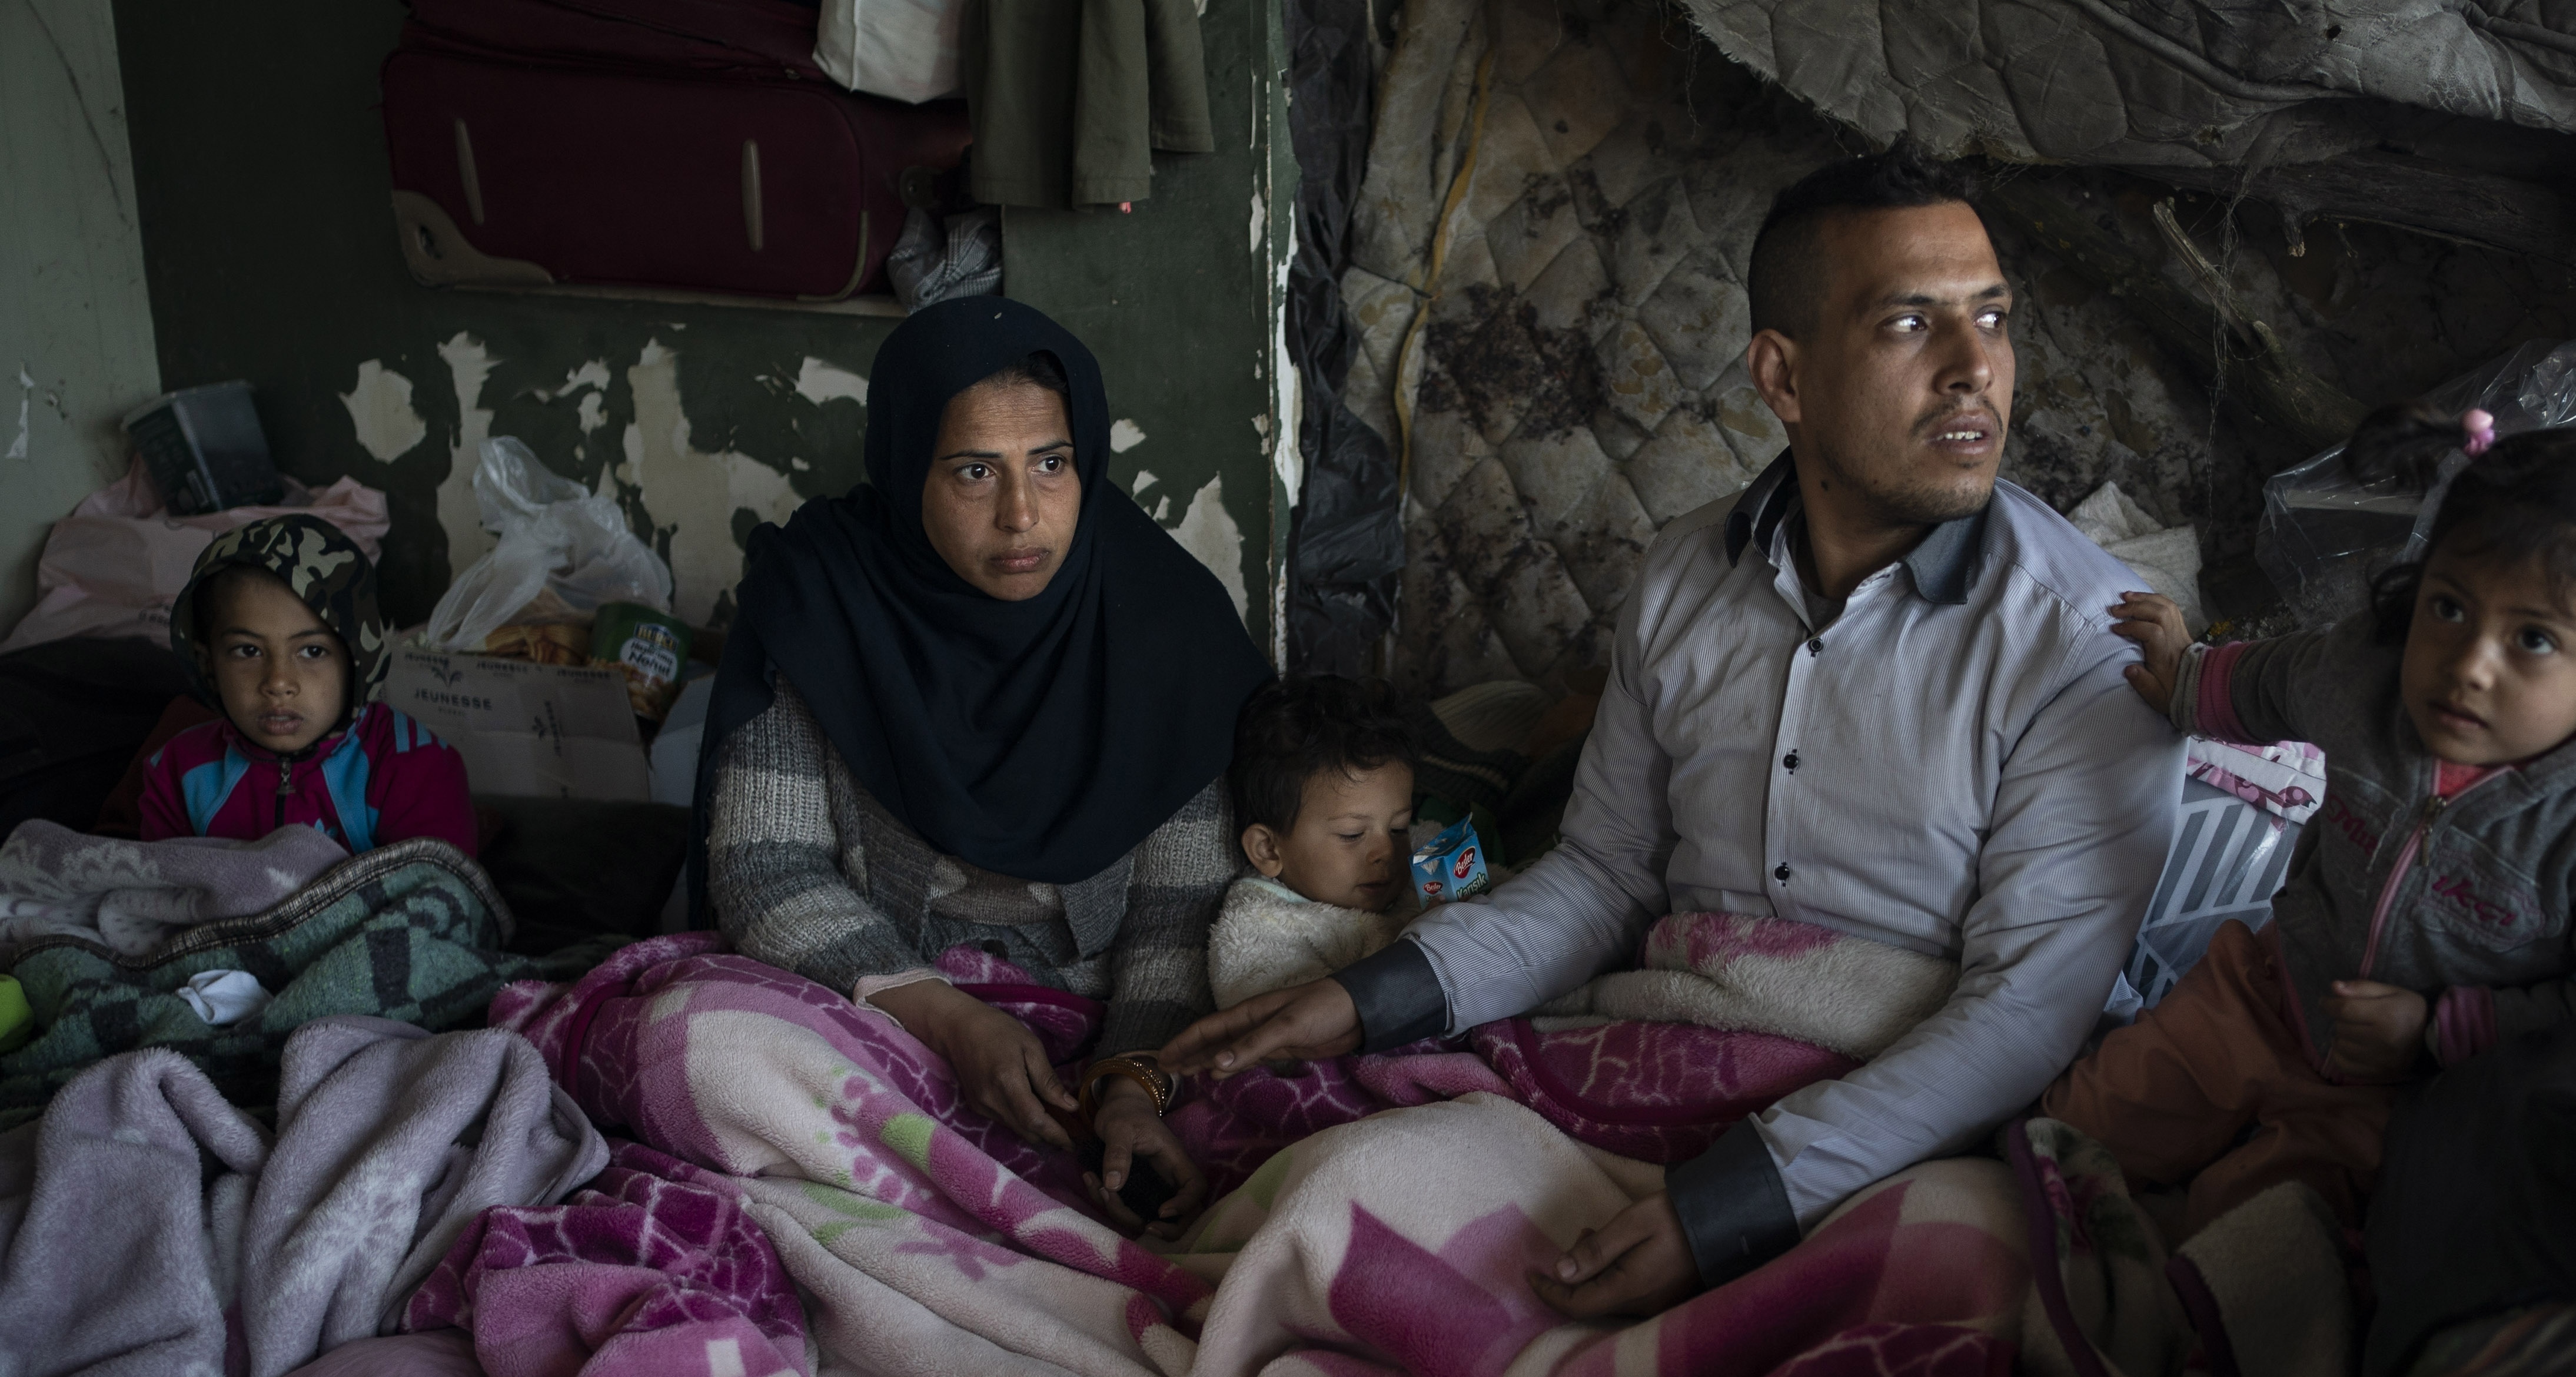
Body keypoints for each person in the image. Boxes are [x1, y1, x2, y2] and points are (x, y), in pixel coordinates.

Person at [1162, 142, 2185, 1315]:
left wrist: (1731, 1204)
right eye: (1912, 323)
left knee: (1953, 1280)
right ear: (1783, 376)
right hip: (1654, 1051)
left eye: (1992, 317)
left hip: (1891, 1118)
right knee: (1319, 1194)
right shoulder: (1686, 576)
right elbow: (1604, 877)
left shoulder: (2093, 641)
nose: (1976, 369)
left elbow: (2025, 1011)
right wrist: (1364, 998)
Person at [2043, 407, 2576, 1232]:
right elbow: (2281, 681)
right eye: (2450, 608)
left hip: (2418, 1093)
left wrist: (2442, 1031)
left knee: (2256, 1242)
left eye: (2533, 640)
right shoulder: (2370, 673)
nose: (2468, 665)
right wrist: (2188, 682)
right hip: (2265, 991)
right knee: (2065, 1141)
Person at [696, 297, 1270, 1236]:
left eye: (1051, 463)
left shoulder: (1169, 627)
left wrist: (1132, 1089)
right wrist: (947, 1018)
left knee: (1286, 1105)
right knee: (706, 1044)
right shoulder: (820, 599)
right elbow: (764, 867)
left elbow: (1183, 912)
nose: (1021, 514)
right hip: (875, 1006)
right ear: (906, 468)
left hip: (1107, 1033)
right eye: (974, 471)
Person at [137, 513, 475, 854]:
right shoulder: (178, 773)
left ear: (358, 661)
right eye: (248, 651)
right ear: (209, 665)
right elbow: (162, 883)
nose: (279, 683)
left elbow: (437, 884)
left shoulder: (415, 766)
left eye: (313, 651)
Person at [1208, 675, 1420, 1010]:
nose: (1387, 852)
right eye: (1352, 835)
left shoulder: (1424, 858)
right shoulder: (1258, 930)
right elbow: (1292, 1022)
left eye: (1399, 828)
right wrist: (1423, 950)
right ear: (1269, 849)